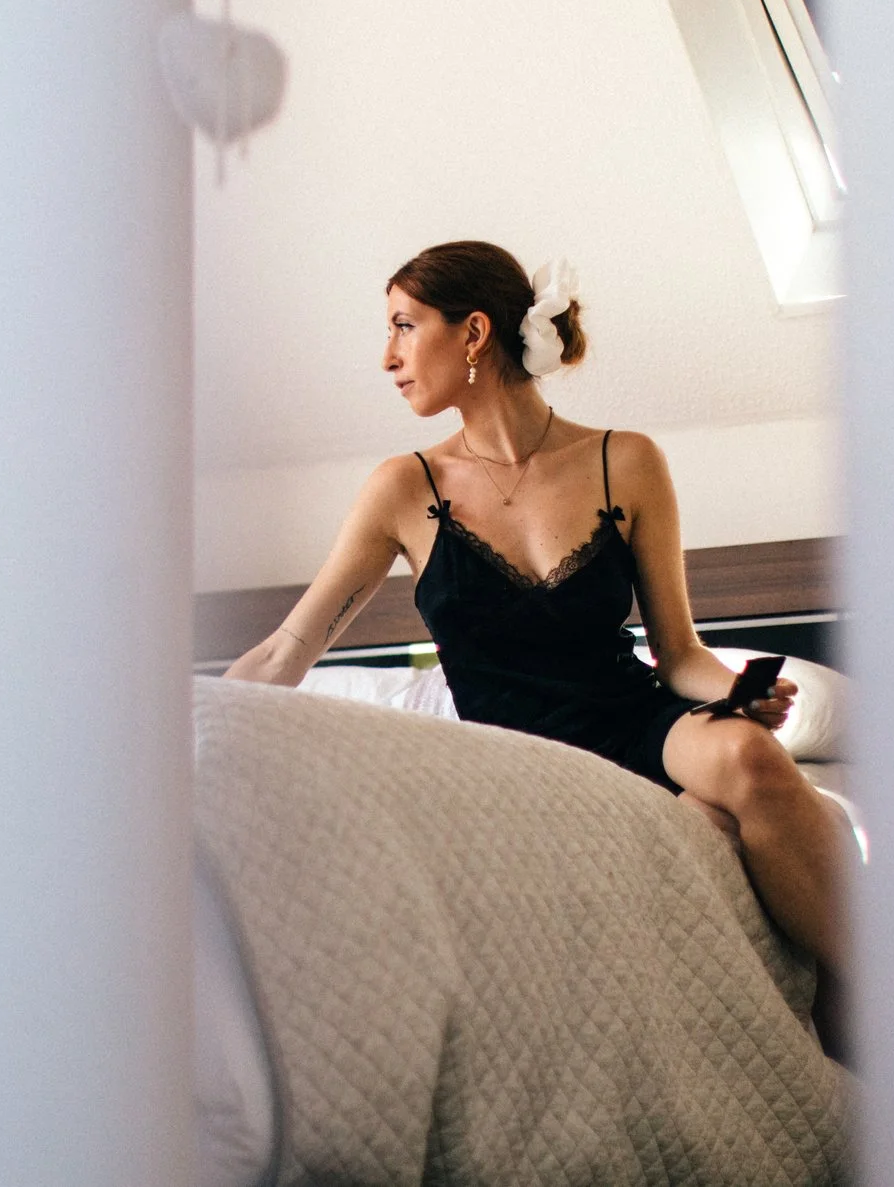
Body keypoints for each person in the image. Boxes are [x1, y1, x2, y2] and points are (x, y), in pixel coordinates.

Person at [224, 240, 849, 970]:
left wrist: (741, 691)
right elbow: (285, 650)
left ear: (475, 333)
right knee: (697, 829)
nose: (386, 357)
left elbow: (679, 655)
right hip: (520, 765)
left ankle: (889, 1008)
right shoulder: (404, 488)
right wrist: (193, 739)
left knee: (750, 755)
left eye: (403, 325)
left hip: (636, 724)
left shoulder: (628, 461)